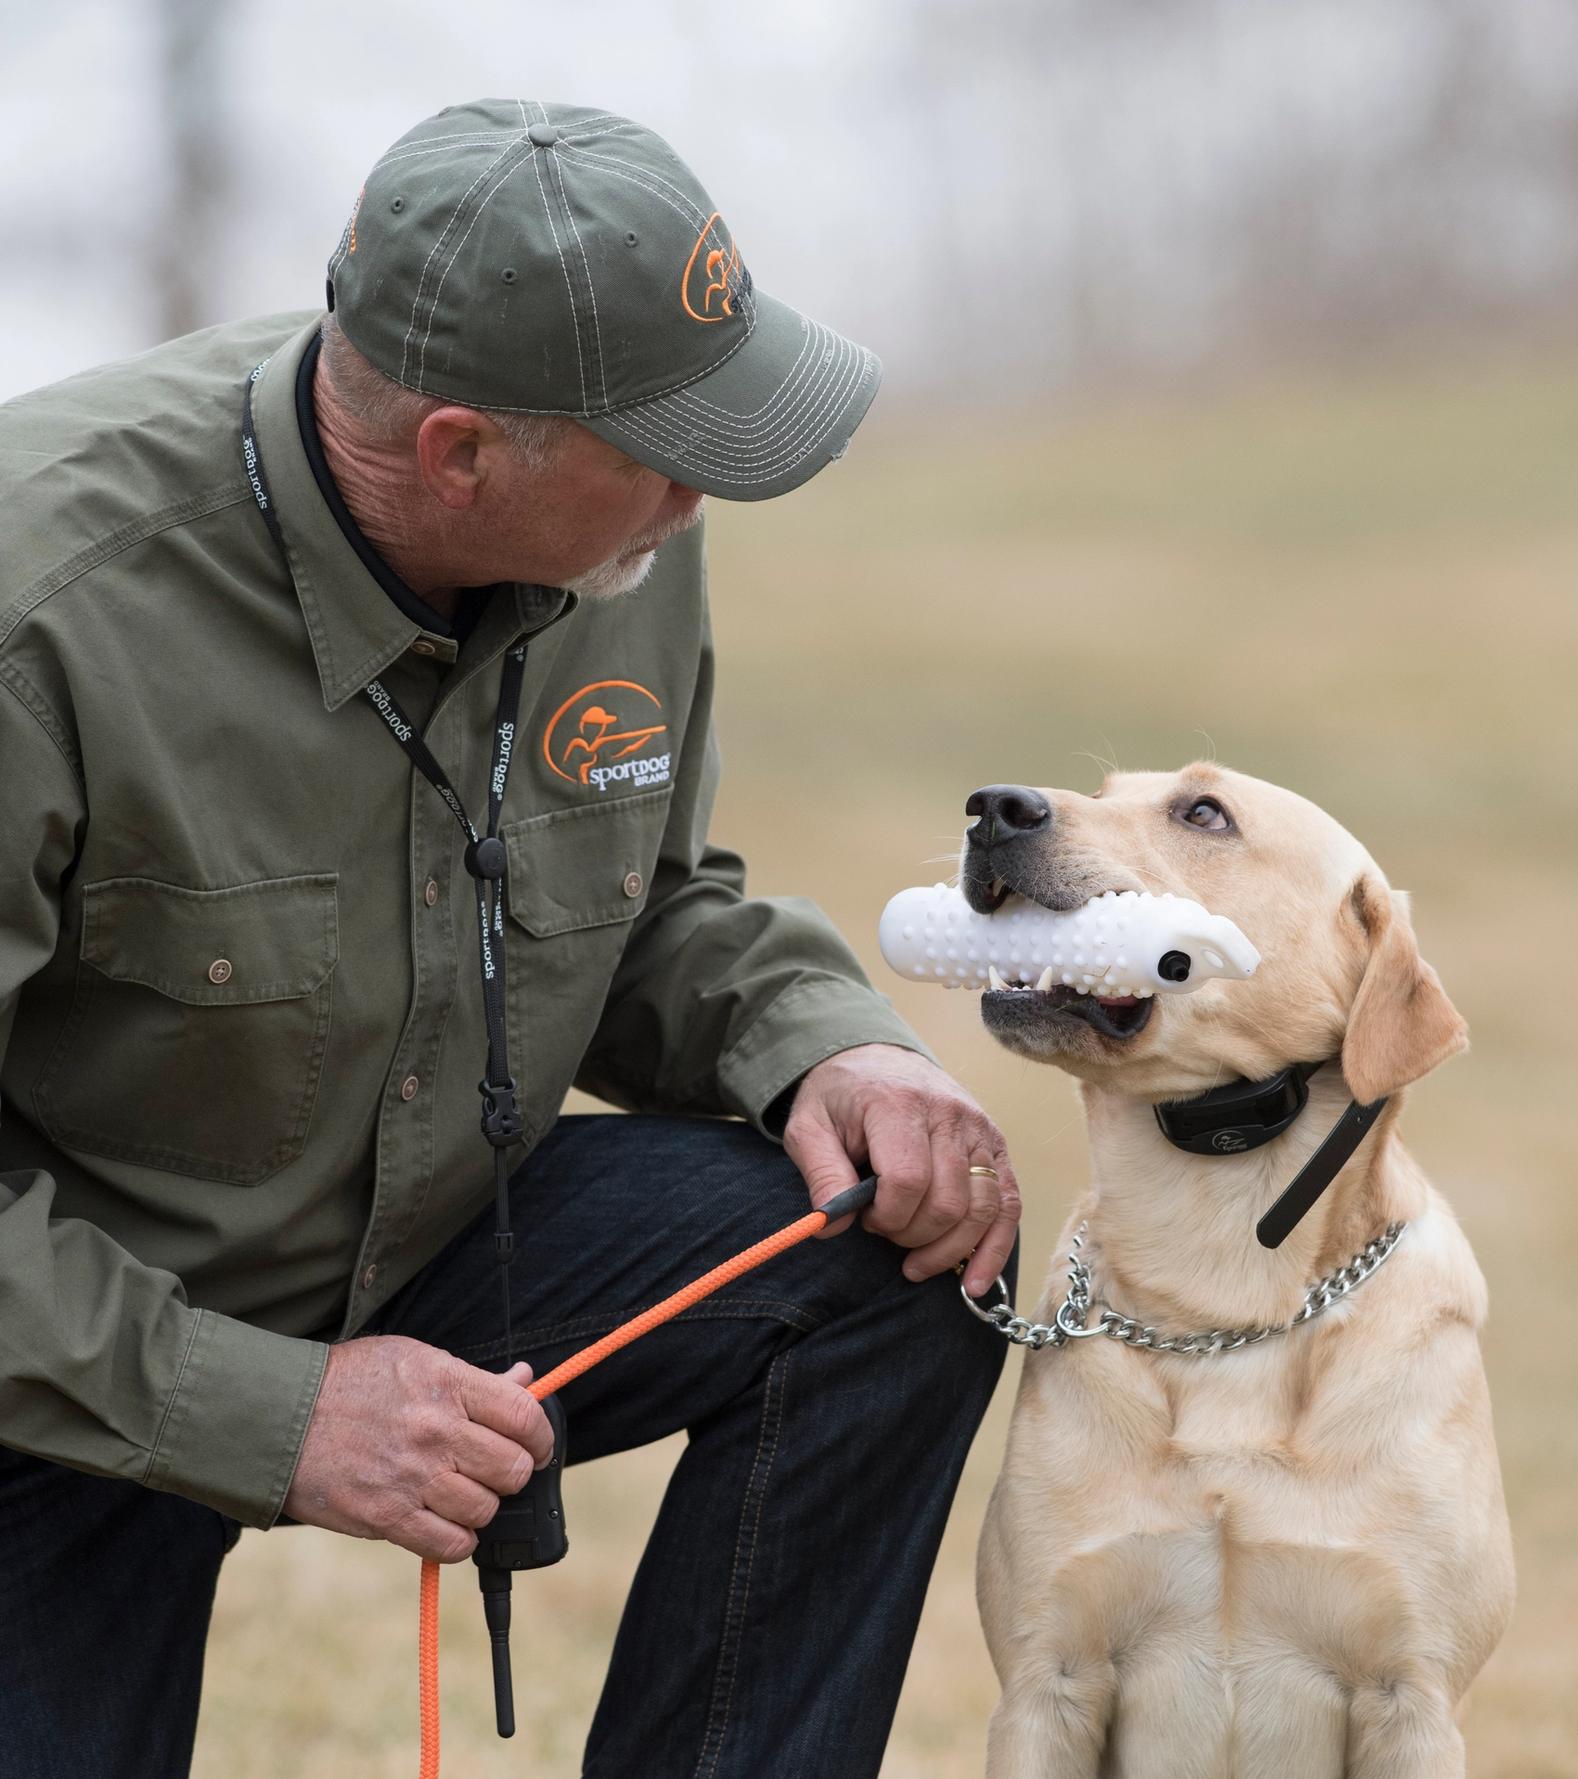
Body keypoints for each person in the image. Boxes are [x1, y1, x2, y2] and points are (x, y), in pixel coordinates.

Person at [0, 98, 1019, 1779]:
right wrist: (278, 1414)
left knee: (889, 1262)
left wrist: (821, 1041)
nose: (704, 500)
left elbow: (640, 906)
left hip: (428, 1236)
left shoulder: (610, 533)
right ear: (463, 451)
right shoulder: (42, 614)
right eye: (670, 454)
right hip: (58, 1358)